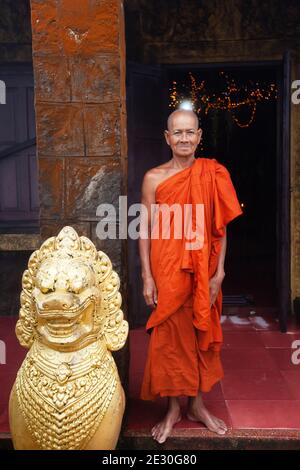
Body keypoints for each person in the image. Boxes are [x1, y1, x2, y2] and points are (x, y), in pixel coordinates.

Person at [138, 109, 243, 444]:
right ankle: (172, 408)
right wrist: (147, 277)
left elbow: (220, 226)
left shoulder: (214, 174)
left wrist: (220, 272)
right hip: (167, 268)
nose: (183, 139)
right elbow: (145, 230)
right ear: (167, 138)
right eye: (177, 133)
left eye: (189, 132)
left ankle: (197, 405)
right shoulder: (153, 178)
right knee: (169, 338)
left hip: (204, 267)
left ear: (199, 136)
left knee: (201, 331)